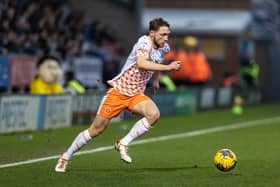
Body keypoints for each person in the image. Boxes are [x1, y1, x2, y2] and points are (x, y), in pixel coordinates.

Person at [55, 17, 181, 172]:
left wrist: (155, 80)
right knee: (96, 130)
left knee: (154, 114)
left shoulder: (164, 48)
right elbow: (142, 63)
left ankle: (123, 142)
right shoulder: (143, 43)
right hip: (119, 91)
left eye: (167, 34)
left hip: (136, 94)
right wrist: (168, 68)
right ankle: (65, 157)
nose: (166, 38)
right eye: (162, 34)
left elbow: (158, 62)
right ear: (152, 33)